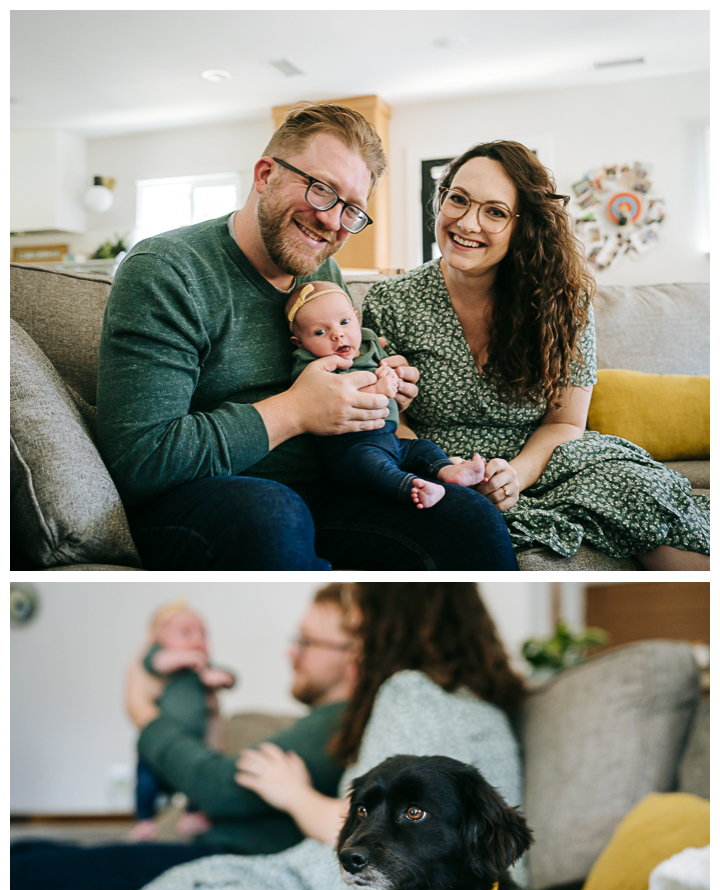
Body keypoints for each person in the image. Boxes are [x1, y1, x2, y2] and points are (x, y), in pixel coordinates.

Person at [96, 103, 518, 571]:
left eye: (352, 209)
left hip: (327, 489)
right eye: (321, 191)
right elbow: (141, 460)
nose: (334, 222)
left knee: (468, 517)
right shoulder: (167, 271)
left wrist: (376, 391)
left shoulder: (320, 269)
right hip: (216, 502)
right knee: (273, 513)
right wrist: (296, 410)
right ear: (264, 175)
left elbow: (338, 391)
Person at [81, 584, 527, 890]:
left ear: (389, 622)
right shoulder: (463, 701)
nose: (357, 645)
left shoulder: (413, 692)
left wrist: (292, 794)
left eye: (359, 624)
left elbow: (396, 831)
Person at [361, 141, 710, 570]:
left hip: (547, 459)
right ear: (441, 199)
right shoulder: (390, 302)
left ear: (523, 225)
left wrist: (516, 475)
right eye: (458, 199)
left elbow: (565, 422)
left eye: (494, 211)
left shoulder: (565, 300)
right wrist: (443, 470)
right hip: (441, 468)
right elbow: (391, 425)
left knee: (641, 496)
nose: (467, 222)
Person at [10, 584, 358, 890]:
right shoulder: (323, 722)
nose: (290, 651)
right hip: (204, 849)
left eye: (306, 641)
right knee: (23, 852)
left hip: (224, 863)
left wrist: (143, 713)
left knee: (16, 889)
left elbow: (220, 788)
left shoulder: (339, 718)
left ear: (355, 655)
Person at [287, 280, 486, 508]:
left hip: (391, 439)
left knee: (423, 448)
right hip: (350, 448)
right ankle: (412, 487)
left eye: (344, 322)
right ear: (299, 343)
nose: (338, 335)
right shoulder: (310, 364)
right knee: (372, 467)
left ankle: (449, 470)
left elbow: (391, 374)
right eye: (320, 332)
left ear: (356, 317)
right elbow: (327, 396)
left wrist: (396, 378)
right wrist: (377, 389)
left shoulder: (369, 343)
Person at [127, 601, 236, 841]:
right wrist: (182, 658)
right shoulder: (162, 660)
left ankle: (193, 814)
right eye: (185, 633)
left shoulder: (202, 670)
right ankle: (144, 819)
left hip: (195, 740)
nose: (197, 639)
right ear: (158, 638)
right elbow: (156, 662)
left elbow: (230, 678)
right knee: (146, 784)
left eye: (202, 633)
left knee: (196, 780)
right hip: (158, 746)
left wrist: (219, 677)